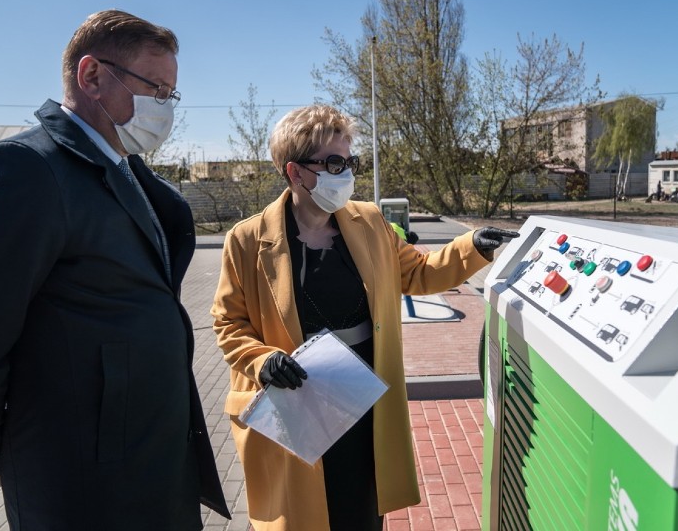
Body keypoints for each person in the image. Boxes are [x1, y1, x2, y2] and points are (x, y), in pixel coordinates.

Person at [0, 10, 229, 529]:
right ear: (91, 75)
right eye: (155, 89)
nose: (165, 108)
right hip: (84, 485)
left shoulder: (128, 173)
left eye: (170, 94)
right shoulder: (26, 170)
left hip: (151, 467)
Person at [210, 104, 517, 531]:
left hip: (361, 399)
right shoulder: (245, 240)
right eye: (333, 163)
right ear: (294, 172)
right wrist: (261, 361)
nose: (346, 174)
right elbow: (228, 322)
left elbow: (417, 272)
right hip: (295, 401)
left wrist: (473, 247)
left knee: (358, 508)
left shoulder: (371, 221)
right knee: (303, 514)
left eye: (349, 161)